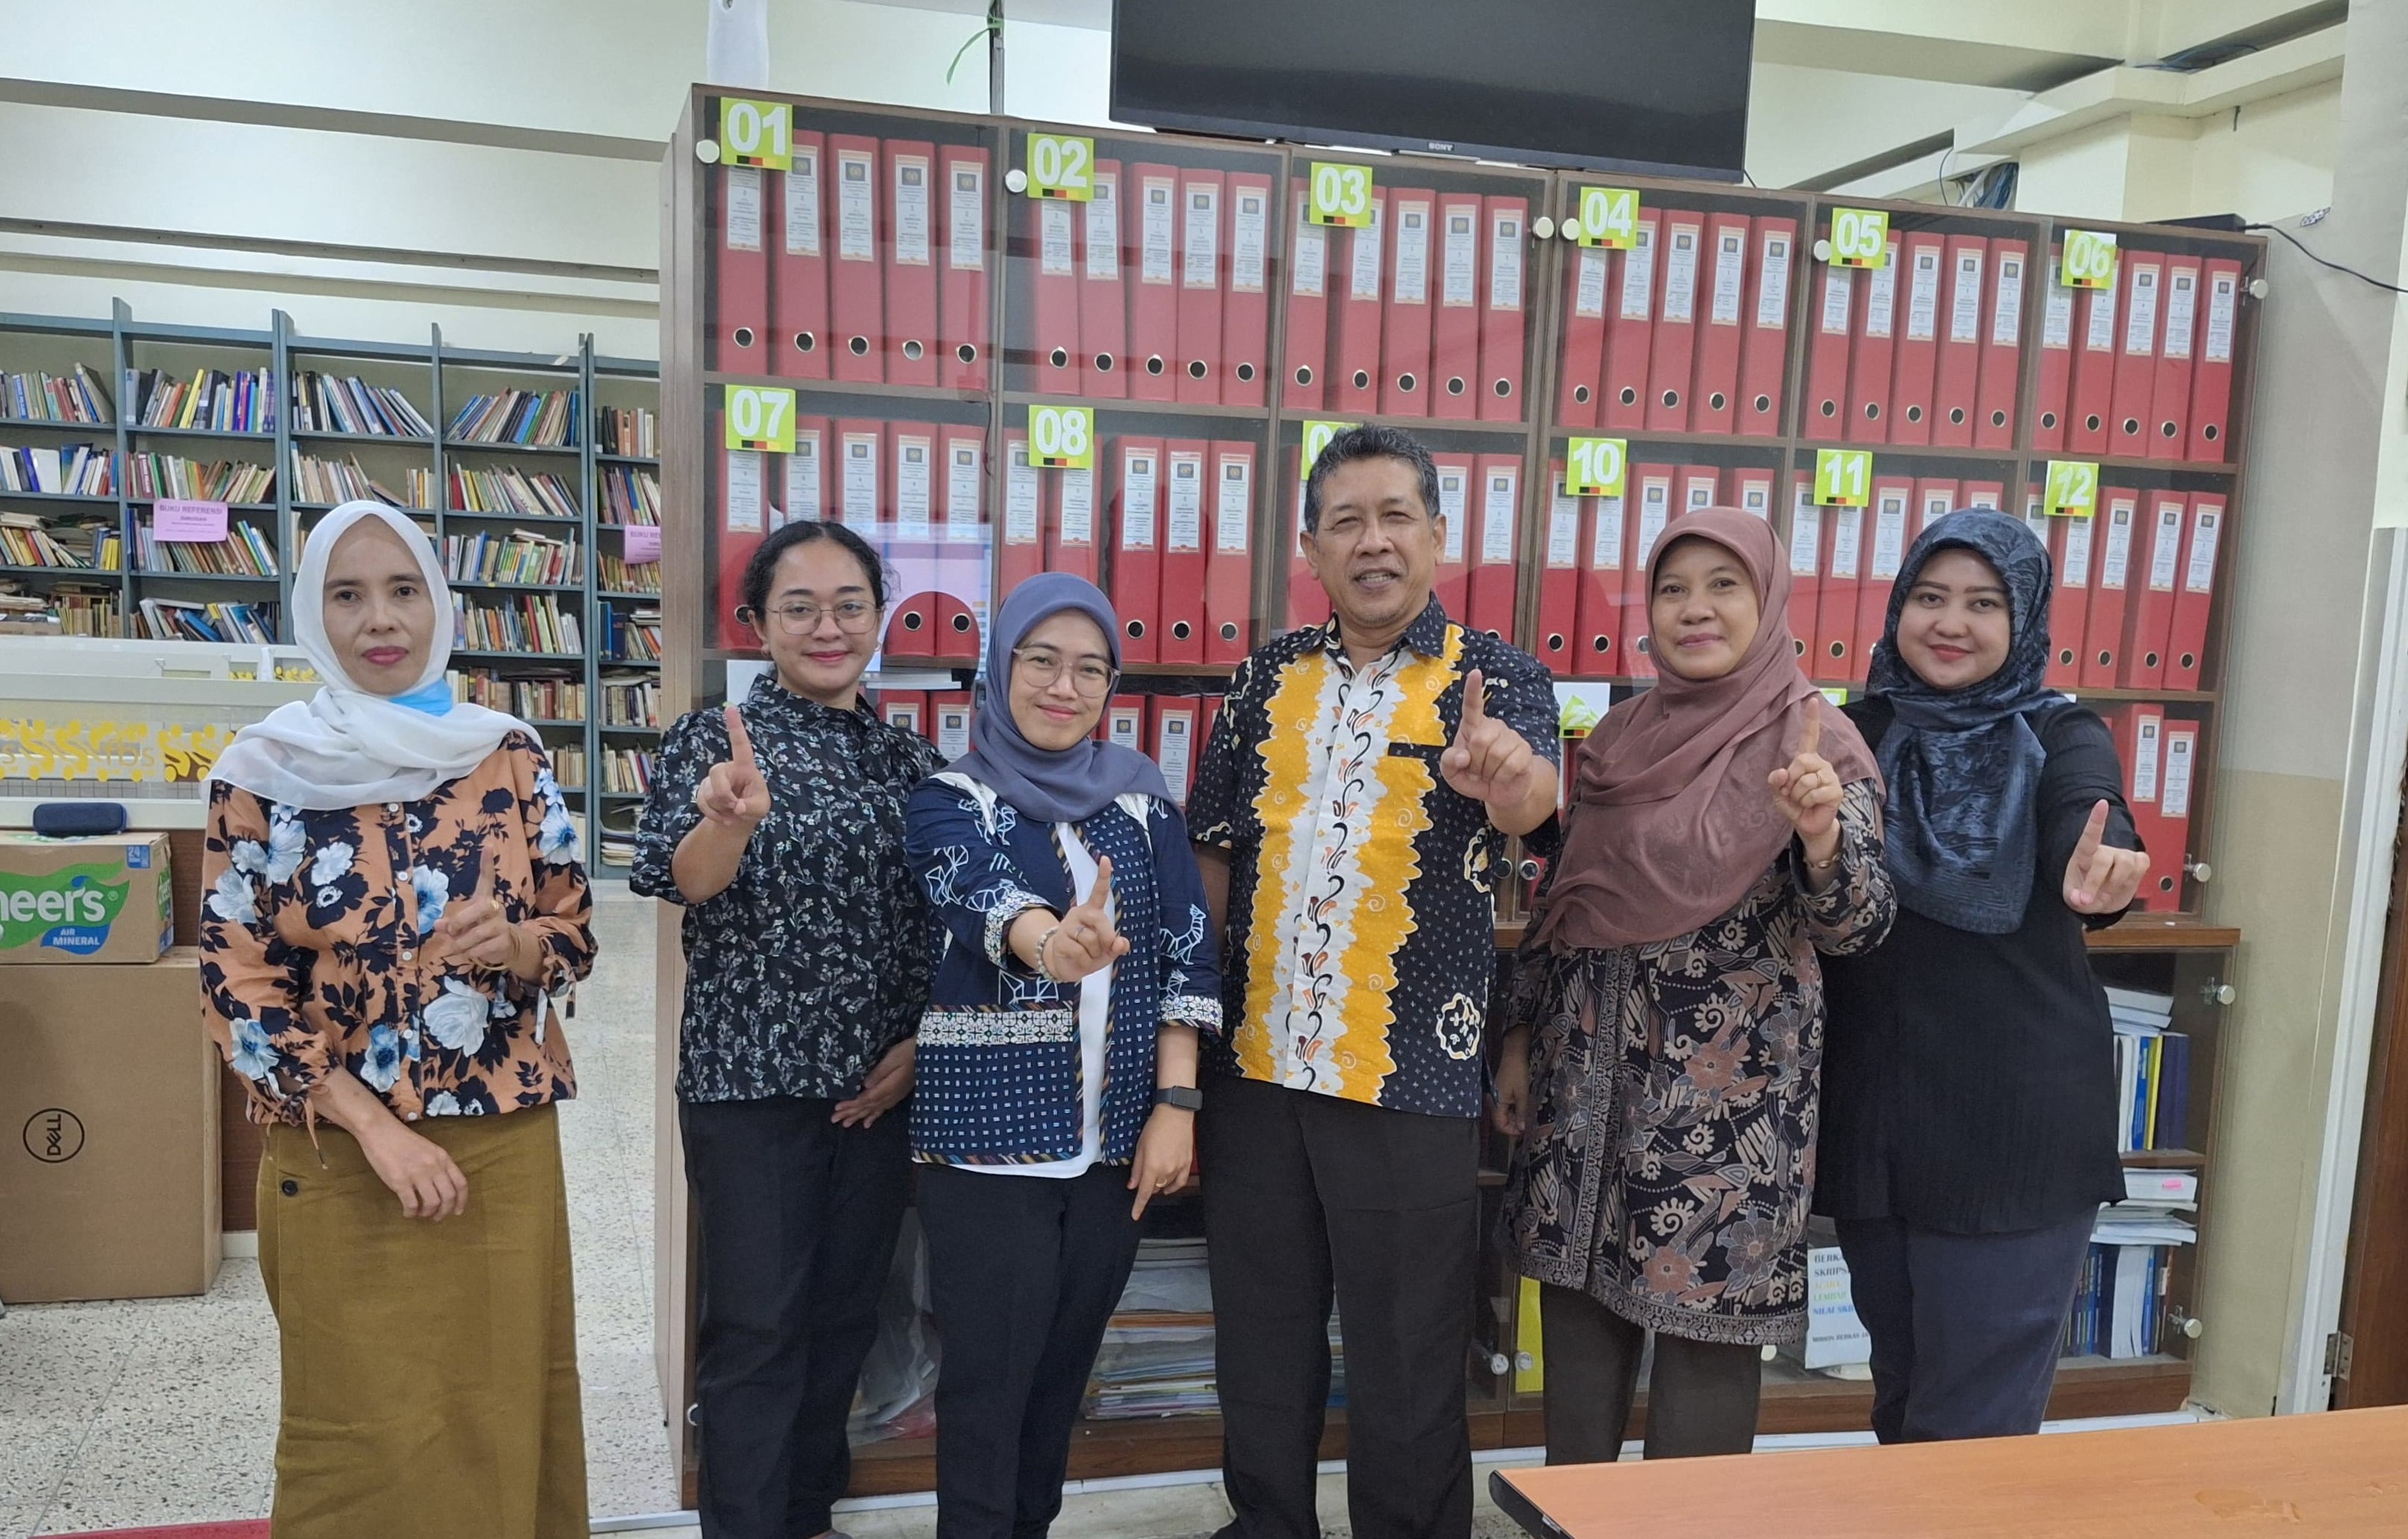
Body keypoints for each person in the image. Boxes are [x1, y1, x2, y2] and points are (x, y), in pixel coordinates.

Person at [1186, 424, 1560, 1539]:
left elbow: (1534, 809)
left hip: (1407, 1077)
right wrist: (1187, 1028)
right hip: (1256, 1066)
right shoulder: (1265, 676)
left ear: (1437, 536)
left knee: (1406, 1356)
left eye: (1396, 516)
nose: (1373, 541)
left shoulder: (1496, 677)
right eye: (1345, 521)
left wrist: (1505, 779)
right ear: (1310, 547)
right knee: (1261, 1338)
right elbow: (1214, 850)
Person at [199, 500, 595, 1538]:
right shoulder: (261, 772)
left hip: (501, 1137)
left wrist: (516, 945)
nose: (381, 618)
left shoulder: (507, 753)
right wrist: (376, 1129)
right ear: (312, 613)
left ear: (438, 602)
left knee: (504, 1405)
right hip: (339, 1146)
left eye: (403, 589)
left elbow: (572, 928)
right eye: (348, 594)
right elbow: (236, 980)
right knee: (358, 1425)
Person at [1494, 507, 1895, 1464]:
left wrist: (1819, 836)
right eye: (1672, 588)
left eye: (1724, 585)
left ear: (1770, 601)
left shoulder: (1815, 740)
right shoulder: (1621, 736)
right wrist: (1516, 1036)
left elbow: (1861, 923)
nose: (1694, 608)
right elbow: (1565, 898)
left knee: (1703, 1371)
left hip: (1725, 1125)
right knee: (1579, 1347)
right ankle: (1572, 1521)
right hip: (1584, 1092)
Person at [631, 518, 941, 1539]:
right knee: (759, 1327)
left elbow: (940, 918)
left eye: (849, 605)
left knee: (844, 1317)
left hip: (877, 1090)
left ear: (879, 618)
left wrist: (917, 1045)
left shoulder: (912, 759)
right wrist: (727, 823)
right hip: (751, 1086)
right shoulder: (713, 740)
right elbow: (683, 882)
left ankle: (806, 1515)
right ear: (756, 623)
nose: (826, 627)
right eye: (798, 607)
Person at [1818, 509, 2151, 1444]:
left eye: (1983, 603)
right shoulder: (1854, 731)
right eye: (1929, 597)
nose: (1950, 622)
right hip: (1878, 1121)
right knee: (1903, 1393)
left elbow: (2090, 809)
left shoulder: (2060, 730)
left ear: (2024, 619)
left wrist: (2101, 866)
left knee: (1973, 1426)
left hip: (2013, 1131)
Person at [903, 573, 1222, 1539]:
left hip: (1115, 1145)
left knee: (1056, 1382)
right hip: (987, 1148)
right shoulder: (950, 797)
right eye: (1040, 660)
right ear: (1000, 671)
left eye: (1089, 669)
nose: (1063, 686)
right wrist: (1051, 944)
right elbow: (979, 895)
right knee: (986, 1386)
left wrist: (1176, 1106)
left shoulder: (1142, 802)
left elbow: (1185, 951)